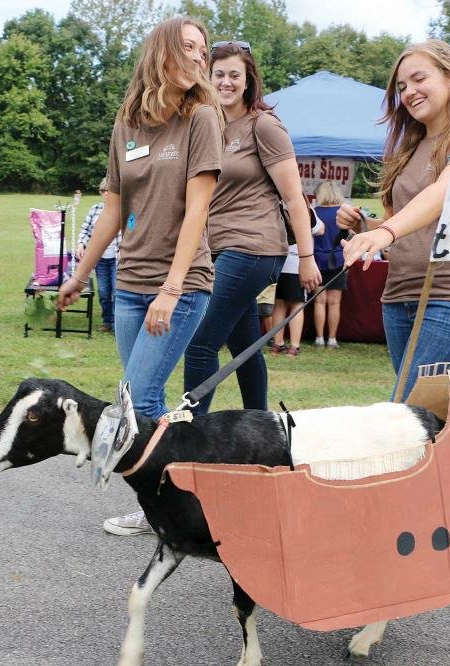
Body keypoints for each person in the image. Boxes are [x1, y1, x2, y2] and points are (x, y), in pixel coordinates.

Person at [58, 17, 222, 536]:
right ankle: (184, 497)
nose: (200, 57)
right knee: (139, 398)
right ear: (162, 52)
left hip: (181, 283)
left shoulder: (202, 119)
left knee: (140, 397)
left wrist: (171, 291)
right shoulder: (128, 121)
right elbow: (111, 211)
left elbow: (197, 213)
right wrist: (80, 273)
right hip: (128, 284)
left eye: (204, 49)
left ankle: (167, 509)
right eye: (189, 47)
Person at [339, 39, 450, 402]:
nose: (409, 92)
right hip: (400, 297)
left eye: (418, 79)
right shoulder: (408, 149)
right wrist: (363, 228)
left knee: (410, 417)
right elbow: (407, 223)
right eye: (401, 87)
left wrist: (384, 231)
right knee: (427, 427)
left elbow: (445, 191)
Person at [182, 40, 319, 410]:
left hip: (255, 248)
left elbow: (294, 198)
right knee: (243, 346)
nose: (226, 82)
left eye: (234, 75)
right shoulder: (206, 125)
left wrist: (306, 256)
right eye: (219, 74)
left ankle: (187, 435)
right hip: (219, 249)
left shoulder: (264, 125)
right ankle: (260, 424)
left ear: (248, 81)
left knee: (199, 343)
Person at [76, 178, 119, 333]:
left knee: (117, 291)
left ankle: (117, 325)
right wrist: (81, 244)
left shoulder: (123, 209)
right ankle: (107, 321)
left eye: (109, 190)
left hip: (117, 259)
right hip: (100, 259)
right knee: (103, 293)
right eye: (103, 191)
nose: (106, 194)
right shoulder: (95, 209)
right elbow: (85, 230)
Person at [312, 181, 348, 348]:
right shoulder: (342, 213)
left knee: (319, 301)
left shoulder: (315, 213)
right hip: (338, 260)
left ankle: (319, 338)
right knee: (335, 302)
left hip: (318, 260)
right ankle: (332, 339)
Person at [268, 243, 307, 356]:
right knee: (297, 305)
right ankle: (294, 346)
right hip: (297, 263)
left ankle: (277, 344)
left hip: (280, 262)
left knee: (279, 304)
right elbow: (319, 229)